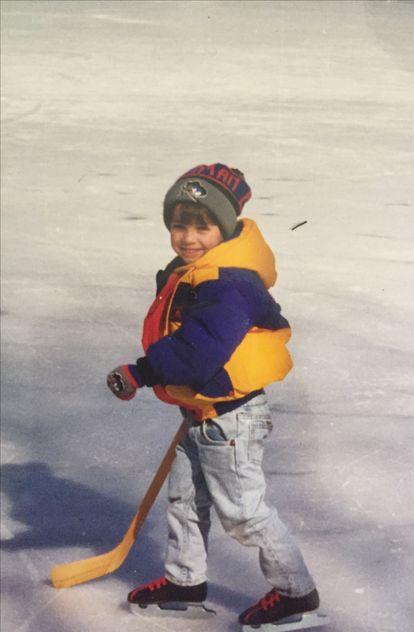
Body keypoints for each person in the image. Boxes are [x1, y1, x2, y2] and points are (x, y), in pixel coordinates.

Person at [106, 163, 319, 627]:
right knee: (184, 499)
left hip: (232, 420)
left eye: (202, 226)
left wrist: (141, 372)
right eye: (179, 224)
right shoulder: (198, 272)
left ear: (224, 228)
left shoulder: (228, 282)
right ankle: (186, 581)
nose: (188, 237)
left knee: (243, 512)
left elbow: (199, 351)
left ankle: (296, 594)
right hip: (203, 413)